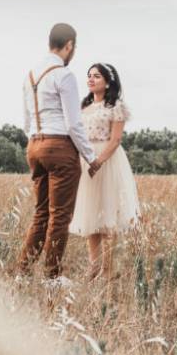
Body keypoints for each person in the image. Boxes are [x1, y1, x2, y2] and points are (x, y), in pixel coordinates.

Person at [15, 23, 100, 281]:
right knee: (60, 216)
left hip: (34, 145)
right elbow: (73, 123)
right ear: (69, 45)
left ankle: (22, 272)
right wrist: (91, 157)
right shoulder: (64, 75)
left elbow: (26, 122)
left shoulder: (30, 75)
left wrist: (37, 141)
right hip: (59, 147)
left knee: (41, 212)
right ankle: (52, 277)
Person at [69, 63, 140, 279]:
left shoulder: (115, 107)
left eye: (97, 76)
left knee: (108, 212)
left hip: (107, 160)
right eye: (89, 76)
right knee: (90, 211)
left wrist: (98, 162)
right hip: (85, 159)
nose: (91, 79)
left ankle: (107, 269)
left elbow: (116, 139)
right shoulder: (83, 107)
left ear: (107, 82)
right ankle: (94, 266)